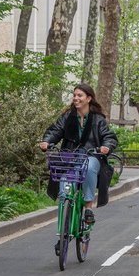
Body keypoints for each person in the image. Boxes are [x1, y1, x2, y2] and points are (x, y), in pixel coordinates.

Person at [38, 83, 117, 226]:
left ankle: (88, 208)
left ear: (88, 99)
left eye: (79, 95)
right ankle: (64, 229)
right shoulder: (67, 116)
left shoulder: (98, 119)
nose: (76, 98)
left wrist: (106, 146)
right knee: (64, 183)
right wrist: (46, 141)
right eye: (74, 95)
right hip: (70, 155)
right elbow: (56, 130)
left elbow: (109, 136)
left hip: (91, 155)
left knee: (90, 168)